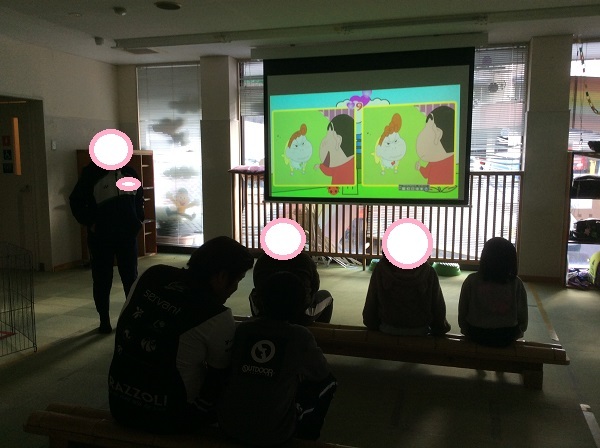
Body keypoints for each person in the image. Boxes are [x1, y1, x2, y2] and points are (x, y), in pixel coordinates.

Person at [108, 236, 254, 433]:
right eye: (238, 280)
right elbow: (218, 377)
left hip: (119, 403)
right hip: (171, 418)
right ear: (222, 276)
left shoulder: (152, 274)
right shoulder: (216, 315)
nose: (235, 288)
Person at [218, 271, 337, 446]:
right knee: (329, 383)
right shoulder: (299, 336)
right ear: (300, 305)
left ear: (260, 301)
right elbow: (322, 374)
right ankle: (307, 436)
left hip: (228, 426)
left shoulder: (243, 329)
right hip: (275, 434)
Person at [69, 161, 144, 333]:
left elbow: (139, 197)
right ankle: (104, 320)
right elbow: (76, 201)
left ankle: (131, 319)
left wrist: (138, 219)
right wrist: (90, 222)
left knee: (130, 278)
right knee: (102, 279)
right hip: (101, 238)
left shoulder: (130, 172)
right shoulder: (91, 174)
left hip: (127, 236)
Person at [458, 237, 528, 347]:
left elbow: (462, 311)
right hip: (507, 335)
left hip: (475, 332)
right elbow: (523, 317)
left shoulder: (471, 280)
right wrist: (518, 332)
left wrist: (466, 330)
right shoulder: (516, 283)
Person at [362, 253, 451, 336]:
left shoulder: (381, 269)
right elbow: (438, 307)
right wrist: (440, 329)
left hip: (387, 328)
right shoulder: (428, 271)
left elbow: (371, 303)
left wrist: (372, 325)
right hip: (420, 330)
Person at [249, 251, 334, 325]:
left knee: (253, 294)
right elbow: (315, 286)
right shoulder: (304, 259)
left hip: (266, 311)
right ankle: (322, 331)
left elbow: (257, 284)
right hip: (300, 314)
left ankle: (259, 326)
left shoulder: (263, 259)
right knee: (327, 297)